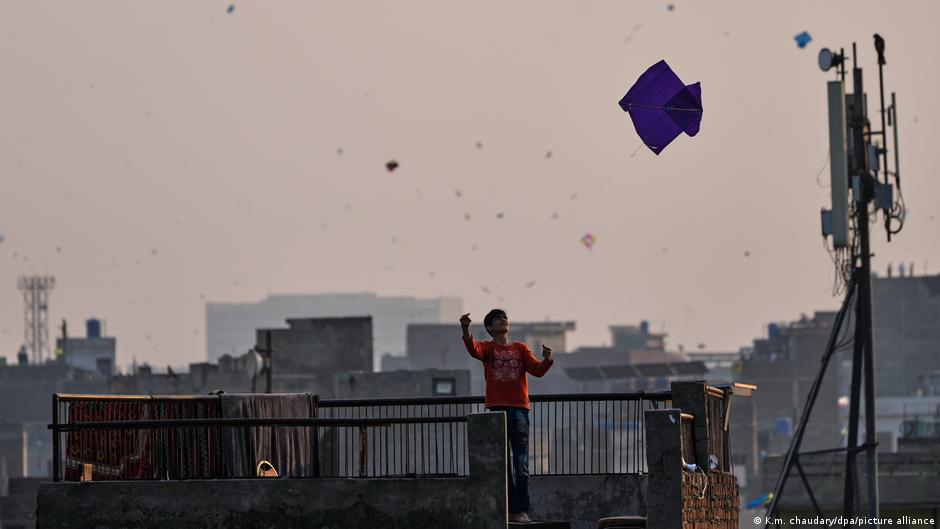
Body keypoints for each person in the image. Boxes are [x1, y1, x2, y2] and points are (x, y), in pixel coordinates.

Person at [460, 309, 554, 524]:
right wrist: (465, 328)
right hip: (497, 411)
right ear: (490, 328)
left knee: (521, 464)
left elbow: (537, 370)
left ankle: (521, 510)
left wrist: (547, 360)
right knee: (503, 465)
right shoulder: (488, 348)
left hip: (519, 409)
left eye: (504, 318)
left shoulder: (520, 348)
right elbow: (473, 349)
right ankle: (509, 510)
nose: (503, 320)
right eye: (497, 319)